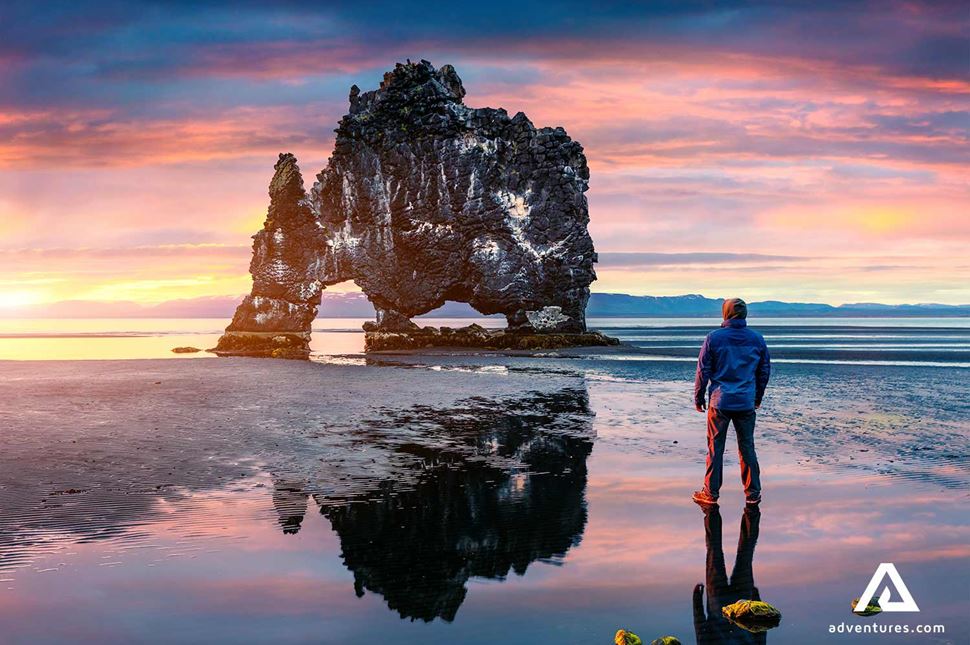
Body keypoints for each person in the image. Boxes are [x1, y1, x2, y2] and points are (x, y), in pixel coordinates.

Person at [692, 298, 770, 506]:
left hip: (720, 402)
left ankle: (710, 493)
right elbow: (763, 372)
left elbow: (703, 371)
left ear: (725, 314)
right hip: (745, 401)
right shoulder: (757, 339)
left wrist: (698, 397)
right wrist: (757, 397)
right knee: (747, 448)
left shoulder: (714, 338)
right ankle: (753, 494)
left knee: (715, 448)